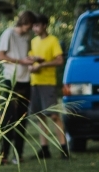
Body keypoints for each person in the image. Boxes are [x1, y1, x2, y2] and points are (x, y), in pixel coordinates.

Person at [0, 11, 37, 165]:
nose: (31, 29)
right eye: (31, 25)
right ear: (26, 22)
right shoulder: (9, 34)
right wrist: (21, 61)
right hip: (11, 80)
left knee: (22, 118)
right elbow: (0, 56)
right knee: (8, 119)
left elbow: (24, 55)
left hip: (25, 80)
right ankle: (4, 154)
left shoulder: (26, 37)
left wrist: (30, 60)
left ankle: (18, 155)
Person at [26, 15, 67, 160]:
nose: (34, 28)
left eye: (37, 25)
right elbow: (30, 60)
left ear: (44, 25)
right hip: (34, 82)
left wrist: (43, 64)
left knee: (54, 115)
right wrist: (32, 66)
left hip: (48, 83)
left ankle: (63, 148)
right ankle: (44, 149)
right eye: (33, 26)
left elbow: (59, 60)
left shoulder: (53, 41)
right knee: (40, 116)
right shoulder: (33, 41)